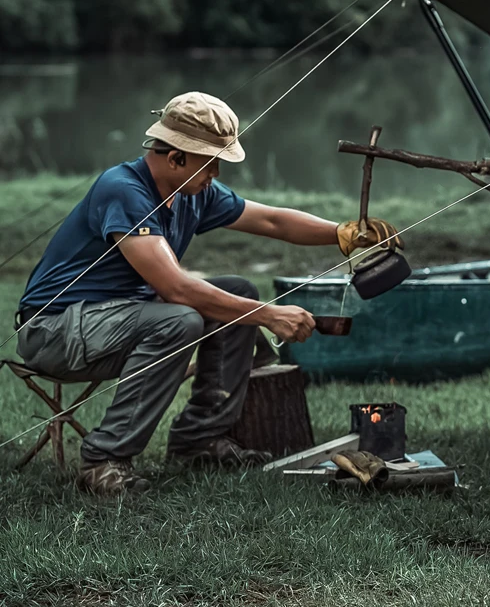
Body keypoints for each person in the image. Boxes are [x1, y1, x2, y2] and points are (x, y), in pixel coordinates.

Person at [14, 92, 401, 495]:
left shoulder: (192, 192)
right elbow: (174, 287)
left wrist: (345, 233)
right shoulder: (123, 190)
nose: (216, 171)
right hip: (54, 331)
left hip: (112, 321)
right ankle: (103, 461)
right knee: (183, 318)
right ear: (176, 157)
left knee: (237, 291)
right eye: (210, 160)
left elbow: (271, 221)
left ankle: (197, 440)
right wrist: (269, 314)